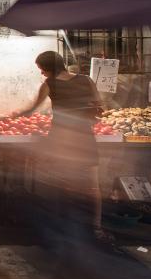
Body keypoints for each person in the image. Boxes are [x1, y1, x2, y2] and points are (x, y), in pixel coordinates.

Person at [16, 51, 108, 242]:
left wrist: (15, 115)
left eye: (42, 69)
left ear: (49, 68)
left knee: (63, 182)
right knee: (92, 185)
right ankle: (96, 228)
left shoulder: (49, 84)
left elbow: (33, 109)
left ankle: (66, 225)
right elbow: (100, 106)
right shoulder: (87, 80)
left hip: (62, 138)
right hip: (84, 136)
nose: (42, 73)